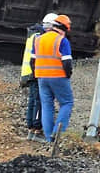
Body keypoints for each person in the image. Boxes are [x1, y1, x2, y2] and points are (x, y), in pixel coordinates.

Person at [30, 14, 74, 143]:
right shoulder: (62, 40)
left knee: (47, 106)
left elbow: (32, 61)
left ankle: (49, 138)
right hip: (58, 76)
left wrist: (37, 74)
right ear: (62, 29)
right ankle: (57, 133)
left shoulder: (38, 39)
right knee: (67, 103)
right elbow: (67, 63)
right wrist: (67, 75)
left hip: (41, 77)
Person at [20, 16, 56, 143]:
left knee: (32, 101)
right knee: (39, 101)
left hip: (29, 73)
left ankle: (30, 130)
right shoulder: (40, 37)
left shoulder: (33, 34)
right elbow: (36, 58)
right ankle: (36, 130)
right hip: (36, 73)